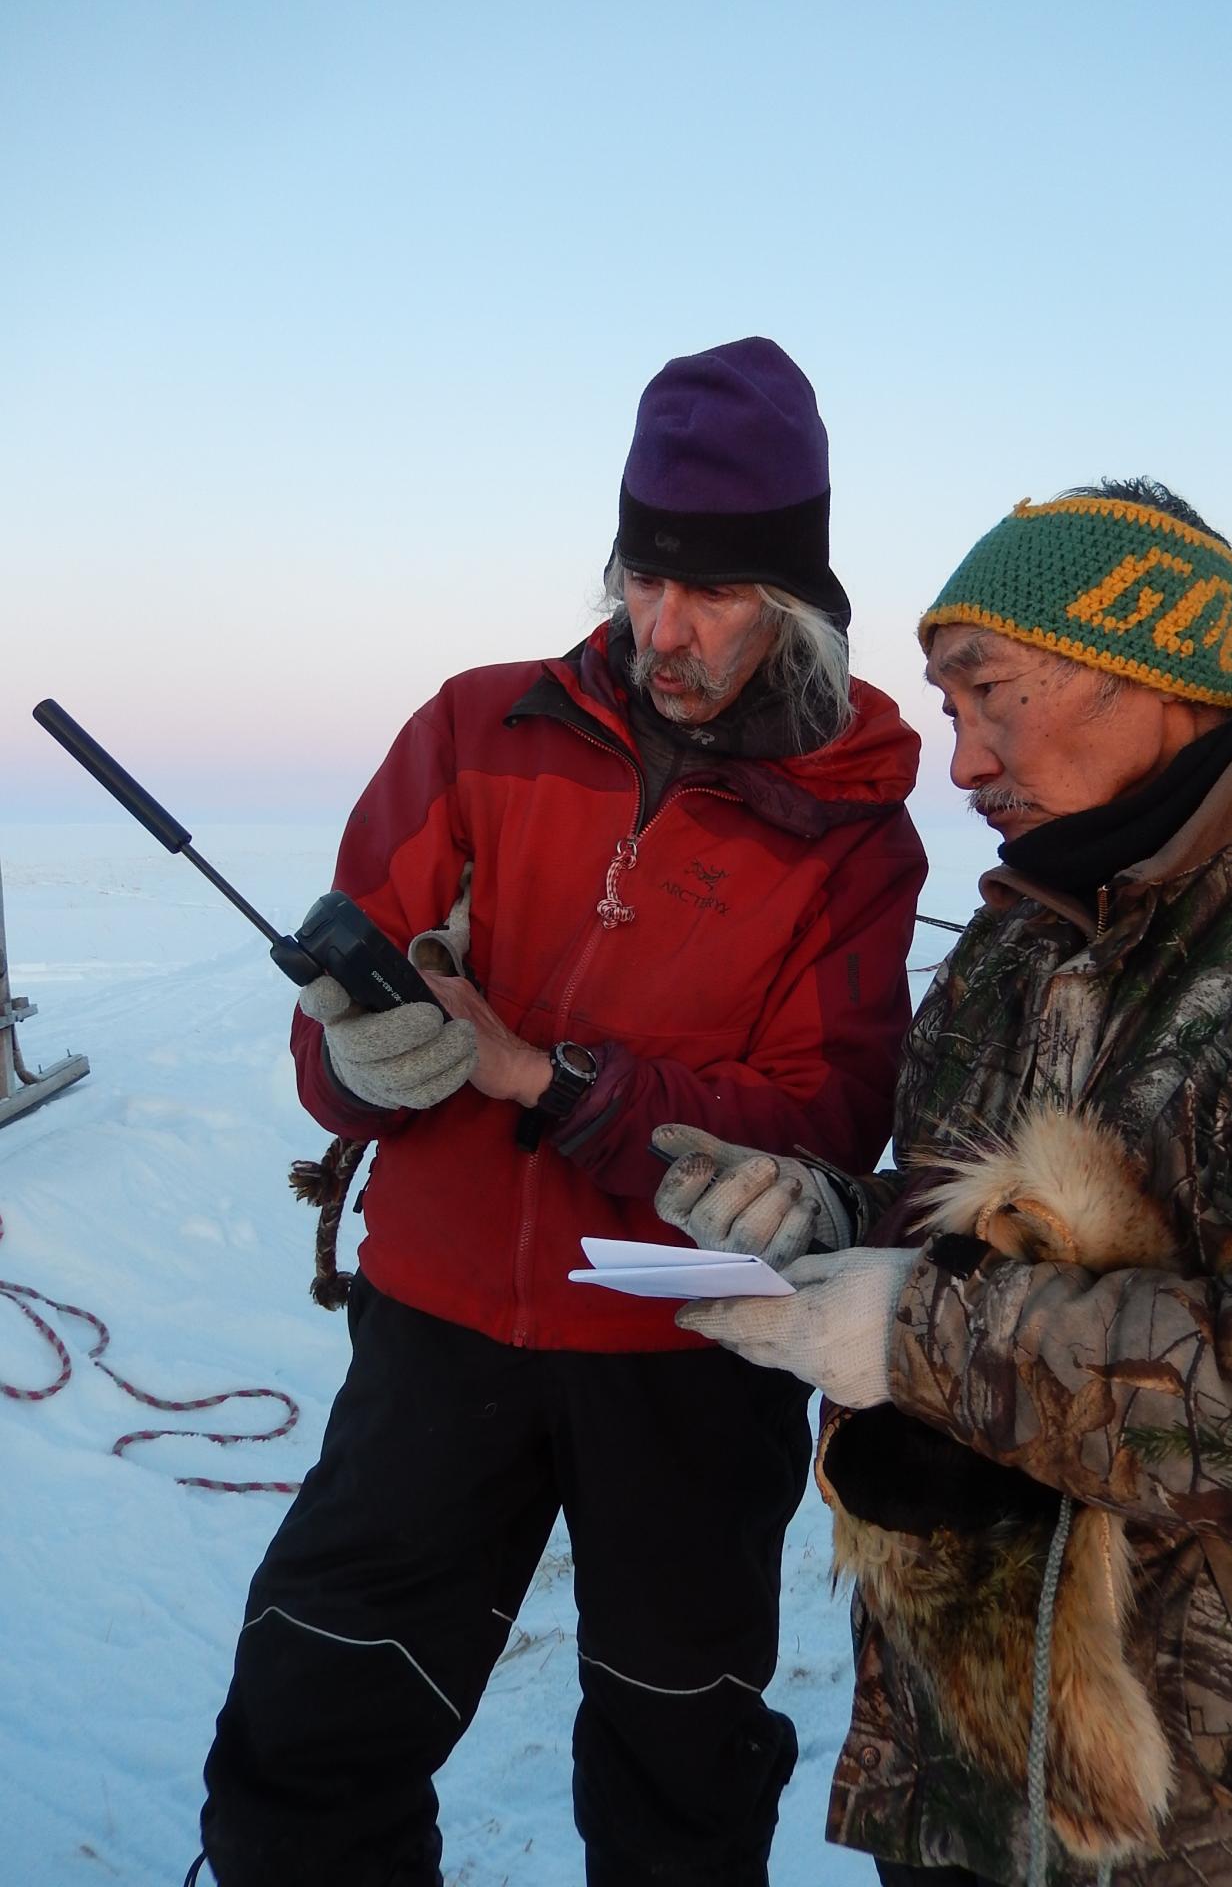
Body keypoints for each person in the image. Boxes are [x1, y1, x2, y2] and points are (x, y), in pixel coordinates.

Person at [194, 337, 927, 1887]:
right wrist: (356, 1062)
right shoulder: (474, 729)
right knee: (308, 1730)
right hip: (437, 1326)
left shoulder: (854, 828)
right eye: (643, 576)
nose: (667, 627)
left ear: (796, 595)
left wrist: (560, 1085)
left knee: (682, 1781)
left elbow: (829, 1112)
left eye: (716, 592)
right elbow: (341, 1035)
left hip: (688, 1361)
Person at [655, 480, 1232, 1886]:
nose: (960, 762)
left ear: (1151, 673)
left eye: (989, 692)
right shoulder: (1027, 926)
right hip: (981, 1785)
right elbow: (967, 1225)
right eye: (947, 706)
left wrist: (921, 1335)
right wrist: (829, 1227)